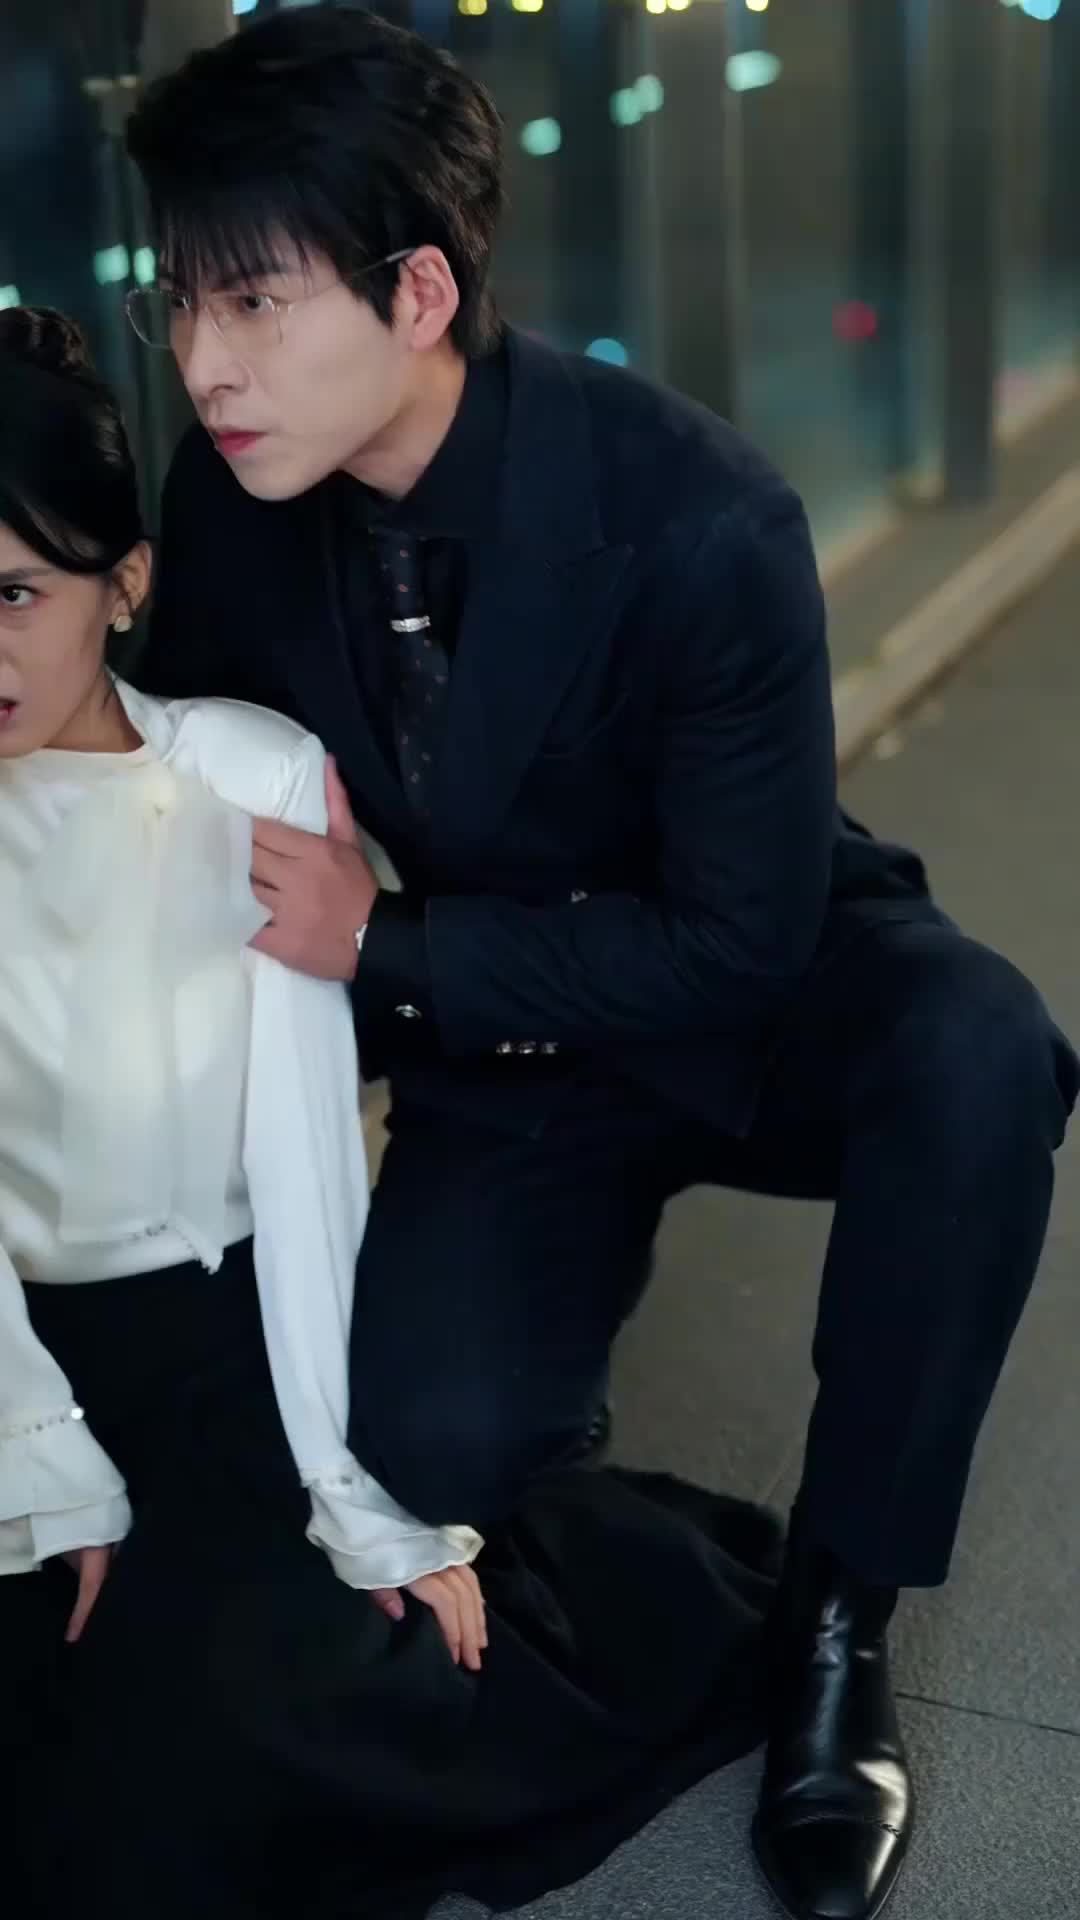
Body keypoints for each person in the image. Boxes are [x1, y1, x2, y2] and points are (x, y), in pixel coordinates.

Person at [124, 10, 1079, 1919]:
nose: (203, 364)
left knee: (979, 1047)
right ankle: (630, 1506)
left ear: (418, 292)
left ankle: (837, 1624)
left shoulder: (700, 511)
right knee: (430, 1442)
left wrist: (385, 943)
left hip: (757, 990)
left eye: (252, 304)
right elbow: (182, 769)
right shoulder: (234, 500)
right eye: (181, 305)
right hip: (505, 1043)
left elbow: (740, 936)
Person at [0, 305, 786, 1920]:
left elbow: (305, 1166)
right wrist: (42, 1461)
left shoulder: (251, 779)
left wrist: (364, 1506)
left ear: (125, 583)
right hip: (14, 1351)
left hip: (225, 1338)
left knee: (253, 1727)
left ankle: (631, 1572)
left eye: (13, 596)